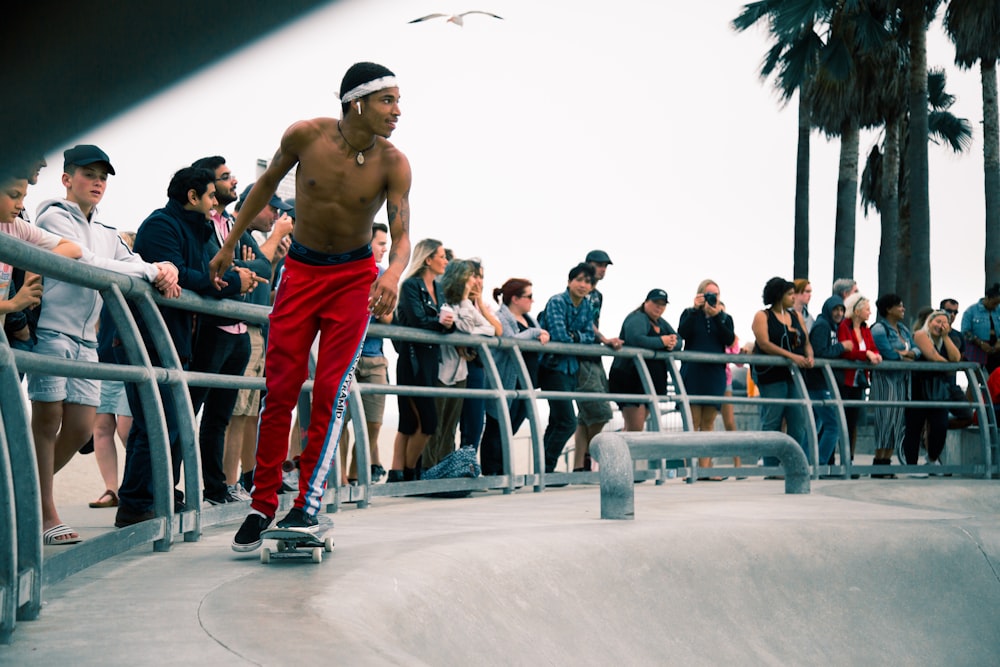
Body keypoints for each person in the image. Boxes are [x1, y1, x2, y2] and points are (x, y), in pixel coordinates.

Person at [211, 62, 412, 551]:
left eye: (399, 101)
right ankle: (261, 505)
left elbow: (403, 234)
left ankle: (307, 504)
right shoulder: (305, 135)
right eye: (388, 101)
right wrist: (229, 243)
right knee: (278, 389)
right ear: (356, 102)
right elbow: (262, 188)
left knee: (330, 391)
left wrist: (391, 272)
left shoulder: (394, 162)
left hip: (353, 279)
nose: (398, 112)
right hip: (300, 273)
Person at [29, 145, 181, 544]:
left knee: (80, 428)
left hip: (86, 339)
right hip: (50, 331)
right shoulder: (51, 216)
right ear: (66, 179)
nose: (97, 182)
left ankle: (17, 491)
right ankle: (44, 514)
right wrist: (149, 270)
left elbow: (132, 261)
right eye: (88, 174)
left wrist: (165, 267)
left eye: (103, 176)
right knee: (46, 423)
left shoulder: (106, 232)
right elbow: (86, 263)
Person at [115, 167, 258, 528]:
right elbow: (192, 277)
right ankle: (135, 504)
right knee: (154, 424)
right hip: (150, 335)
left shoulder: (199, 228)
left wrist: (229, 277)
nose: (216, 203)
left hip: (176, 339)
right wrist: (228, 284)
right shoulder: (161, 225)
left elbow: (204, 276)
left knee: (170, 423)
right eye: (211, 196)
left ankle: (157, 496)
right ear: (192, 197)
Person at [188, 156, 272, 505]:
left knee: (220, 415)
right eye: (225, 177)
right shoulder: (204, 223)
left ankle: (216, 487)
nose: (233, 180)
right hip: (213, 327)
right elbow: (216, 267)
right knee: (190, 409)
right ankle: (184, 488)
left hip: (237, 331)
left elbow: (260, 264)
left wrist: (239, 269)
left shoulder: (231, 223)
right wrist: (239, 271)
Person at [224, 184, 294, 496]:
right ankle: (227, 482)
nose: (277, 216)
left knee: (251, 412)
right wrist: (276, 240)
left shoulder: (253, 240)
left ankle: (246, 478)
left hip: (256, 332)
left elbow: (258, 283)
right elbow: (240, 278)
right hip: (241, 330)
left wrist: (273, 262)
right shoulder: (235, 234)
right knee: (236, 412)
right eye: (272, 208)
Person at [422, 258, 501, 470]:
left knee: (452, 425)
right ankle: (429, 471)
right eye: (470, 277)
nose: (473, 282)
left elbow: (492, 329)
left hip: (462, 372)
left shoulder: (467, 303)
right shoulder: (445, 301)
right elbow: (463, 326)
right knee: (435, 425)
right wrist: (464, 330)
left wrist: (465, 331)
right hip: (442, 370)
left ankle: (448, 470)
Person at [389, 239, 451, 482]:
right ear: (428, 259)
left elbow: (445, 322)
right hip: (412, 359)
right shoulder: (410, 286)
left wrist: (446, 324)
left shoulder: (439, 287)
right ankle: (409, 471)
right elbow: (417, 321)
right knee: (423, 422)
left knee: (414, 421)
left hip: (429, 360)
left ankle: (400, 472)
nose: (446, 261)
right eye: (442, 256)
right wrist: (441, 323)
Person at [338, 222, 392, 485]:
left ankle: (358, 473)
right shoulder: (344, 268)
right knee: (341, 420)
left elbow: (389, 315)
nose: (384, 249)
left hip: (374, 357)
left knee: (373, 422)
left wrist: (370, 305)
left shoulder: (383, 274)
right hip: (346, 355)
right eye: (381, 243)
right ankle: (341, 479)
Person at [480, 278, 549, 476]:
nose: (532, 301)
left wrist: (539, 333)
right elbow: (510, 339)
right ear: (515, 299)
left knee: (513, 425)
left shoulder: (530, 319)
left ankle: (502, 469)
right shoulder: (502, 316)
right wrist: (536, 333)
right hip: (506, 378)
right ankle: (491, 471)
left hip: (525, 380)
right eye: (529, 296)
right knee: (497, 424)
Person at [537, 262, 596, 473]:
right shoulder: (557, 301)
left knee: (556, 421)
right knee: (567, 421)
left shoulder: (588, 306)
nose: (583, 285)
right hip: (552, 367)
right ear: (569, 281)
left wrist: (575, 337)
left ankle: (542, 469)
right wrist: (576, 338)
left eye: (587, 282)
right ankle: (546, 467)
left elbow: (590, 337)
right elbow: (559, 336)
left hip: (571, 368)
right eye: (579, 280)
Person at [751, 277, 813, 469]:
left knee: (798, 420)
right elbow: (764, 343)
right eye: (789, 294)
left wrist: (809, 355)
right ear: (779, 296)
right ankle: (770, 465)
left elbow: (806, 341)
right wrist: (791, 357)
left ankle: (792, 464)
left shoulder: (796, 316)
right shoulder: (763, 316)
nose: (793, 297)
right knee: (773, 419)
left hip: (793, 376)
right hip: (771, 376)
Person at [677, 279, 735, 479]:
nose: (712, 298)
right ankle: (690, 470)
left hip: (714, 374)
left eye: (716, 295)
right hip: (693, 372)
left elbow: (728, 339)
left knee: (708, 423)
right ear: (699, 294)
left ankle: (705, 469)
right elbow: (682, 333)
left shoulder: (725, 317)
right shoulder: (689, 313)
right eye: (708, 294)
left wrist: (717, 315)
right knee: (692, 422)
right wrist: (695, 310)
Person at [572, 249, 622, 471]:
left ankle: (579, 465)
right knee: (600, 411)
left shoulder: (597, 295)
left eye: (605, 266)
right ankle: (590, 457)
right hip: (582, 353)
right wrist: (604, 339)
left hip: (593, 352)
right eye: (599, 264)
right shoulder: (580, 291)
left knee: (585, 416)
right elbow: (584, 321)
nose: (602, 269)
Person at [608, 289, 678, 432]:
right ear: (646, 302)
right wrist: (661, 342)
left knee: (634, 428)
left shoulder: (661, 323)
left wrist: (670, 343)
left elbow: (679, 340)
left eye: (663, 304)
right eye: (655, 303)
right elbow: (636, 339)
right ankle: (612, 449)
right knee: (635, 428)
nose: (659, 307)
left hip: (648, 381)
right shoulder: (637, 318)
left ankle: (614, 448)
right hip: (630, 379)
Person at [902, 310, 962, 470]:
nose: (941, 325)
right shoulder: (920, 335)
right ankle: (911, 466)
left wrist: (945, 337)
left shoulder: (946, 338)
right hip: (919, 388)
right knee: (914, 427)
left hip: (939, 390)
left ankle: (932, 458)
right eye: (938, 321)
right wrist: (949, 366)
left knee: (940, 426)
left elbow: (956, 358)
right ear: (929, 322)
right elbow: (933, 356)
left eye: (945, 323)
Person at [870, 294, 917, 471]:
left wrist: (904, 354)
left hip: (901, 380)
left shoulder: (904, 330)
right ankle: (878, 462)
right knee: (885, 419)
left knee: (897, 420)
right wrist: (903, 355)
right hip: (885, 379)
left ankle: (887, 462)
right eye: (899, 306)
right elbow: (887, 353)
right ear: (889, 309)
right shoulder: (879, 329)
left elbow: (916, 350)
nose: (903, 309)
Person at [837, 293, 882, 473]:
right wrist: (866, 355)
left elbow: (872, 347)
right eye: (867, 309)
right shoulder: (844, 327)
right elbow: (847, 350)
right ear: (856, 310)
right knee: (841, 421)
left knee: (853, 422)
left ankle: (850, 459)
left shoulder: (866, 329)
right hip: (845, 381)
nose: (870, 312)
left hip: (858, 381)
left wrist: (875, 354)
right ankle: (837, 459)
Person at [805, 296, 849, 467]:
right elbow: (819, 352)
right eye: (835, 310)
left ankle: (805, 462)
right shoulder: (823, 326)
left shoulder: (833, 326)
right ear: (828, 310)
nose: (839, 313)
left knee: (814, 425)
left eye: (841, 310)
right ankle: (820, 464)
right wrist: (842, 347)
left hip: (822, 383)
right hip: (818, 383)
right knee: (834, 425)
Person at [960, 284, 1000, 372]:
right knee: (975, 377)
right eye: (994, 303)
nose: (995, 306)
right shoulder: (971, 311)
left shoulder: (998, 310)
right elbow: (965, 332)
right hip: (976, 349)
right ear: (987, 298)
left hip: (996, 350)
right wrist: (980, 343)